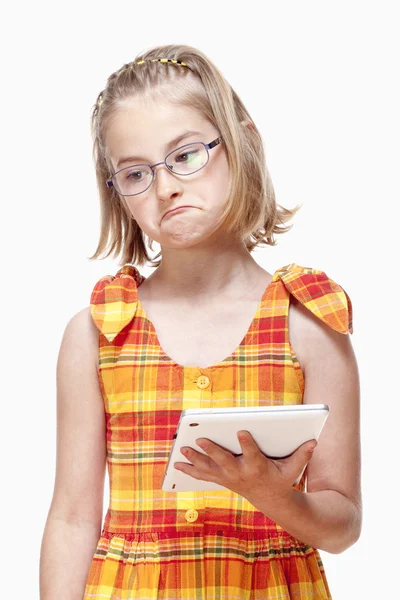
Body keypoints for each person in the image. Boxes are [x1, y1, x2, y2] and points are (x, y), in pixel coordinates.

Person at [39, 44, 362, 600]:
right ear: (118, 192)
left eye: (186, 155)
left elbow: (344, 526)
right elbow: (71, 518)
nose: (165, 187)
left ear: (242, 142)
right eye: (135, 173)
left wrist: (277, 495)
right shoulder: (96, 334)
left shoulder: (309, 325)